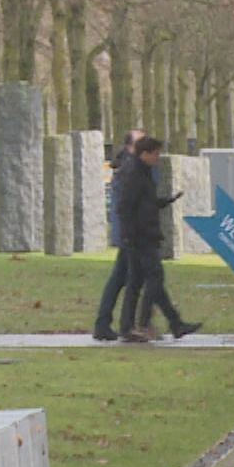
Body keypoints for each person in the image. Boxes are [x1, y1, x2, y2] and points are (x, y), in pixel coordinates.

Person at [115, 137, 200, 342]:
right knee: (154, 277)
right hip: (141, 236)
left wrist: (166, 201)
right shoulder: (136, 174)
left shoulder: (142, 173)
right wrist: (128, 235)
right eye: (155, 154)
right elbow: (126, 206)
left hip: (142, 235)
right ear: (145, 153)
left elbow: (146, 202)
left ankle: (169, 323)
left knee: (138, 281)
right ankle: (144, 323)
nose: (157, 158)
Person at [92, 129, 145, 342]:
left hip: (129, 232)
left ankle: (105, 324)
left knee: (120, 278)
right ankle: (126, 326)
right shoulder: (129, 168)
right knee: (133, 279)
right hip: (132, 233)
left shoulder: (128, 166)